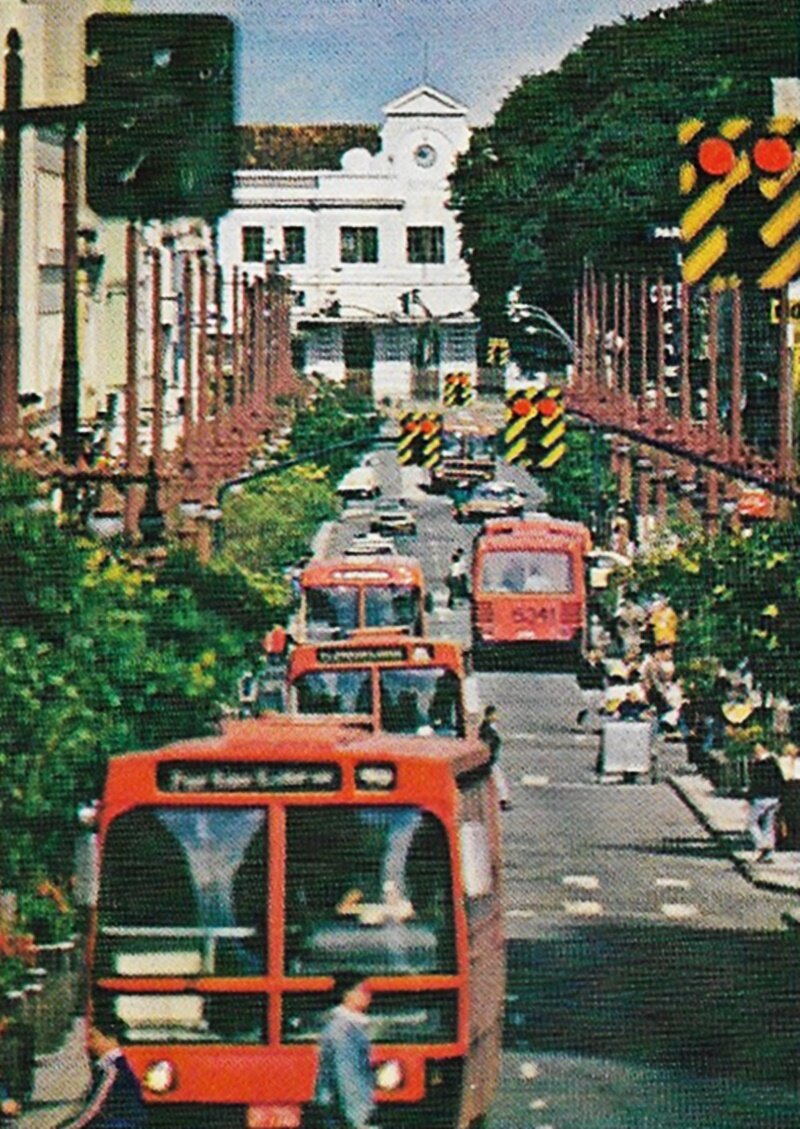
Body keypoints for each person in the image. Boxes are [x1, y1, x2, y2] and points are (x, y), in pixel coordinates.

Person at [311, 973, 375, 1129]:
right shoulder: (344, 1030)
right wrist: (358, 1120)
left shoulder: (343, 1026)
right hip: (343, 1116)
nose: (368, 995)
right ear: (347, 995)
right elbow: (347, 1075)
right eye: (362, 990)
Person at [57, 1022, 146, 1129]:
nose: (88, 1044)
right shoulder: (111, 1066)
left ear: (109, 1039)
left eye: (93, 1037)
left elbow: (93, 1108)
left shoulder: (112, 1069)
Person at [746, 742, 786, 864]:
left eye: (756, 749)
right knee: (768, 826)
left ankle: (763, 845)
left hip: (761, 798)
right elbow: (781, 780)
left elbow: (755, 783)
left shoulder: (760, 764)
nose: (755, 752)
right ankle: (768, 855)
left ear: (763, 749)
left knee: (751, 823)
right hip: (774, 798)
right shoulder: (774, 762)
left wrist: (750, 795)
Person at [479, 705, 512, 810]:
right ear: (489, 715)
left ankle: (501, 799)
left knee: (495, 780)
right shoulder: (487, 729)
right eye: (494, 714)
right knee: (497, 780)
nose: (496, 716)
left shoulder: (489, 727)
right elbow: (489, 743)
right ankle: (502, 800)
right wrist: (491, 757)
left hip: (491, 759)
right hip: (490, 759)